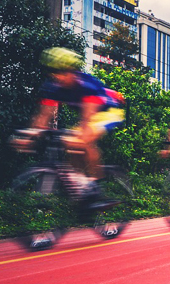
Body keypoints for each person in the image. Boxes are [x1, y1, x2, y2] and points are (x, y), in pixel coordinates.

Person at [28, 47, 125, 209]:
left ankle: (95, 184)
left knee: (83, 140)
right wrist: (31, 134)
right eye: (54, 72)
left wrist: (81, 135)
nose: (58, 77)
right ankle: (82, 182)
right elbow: (43, 116)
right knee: (69, 143)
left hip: (108, 111)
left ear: (73, 71)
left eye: (63, 73)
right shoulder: (53, 87)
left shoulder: (86, 85)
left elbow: (87, 119)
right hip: (91, 114)